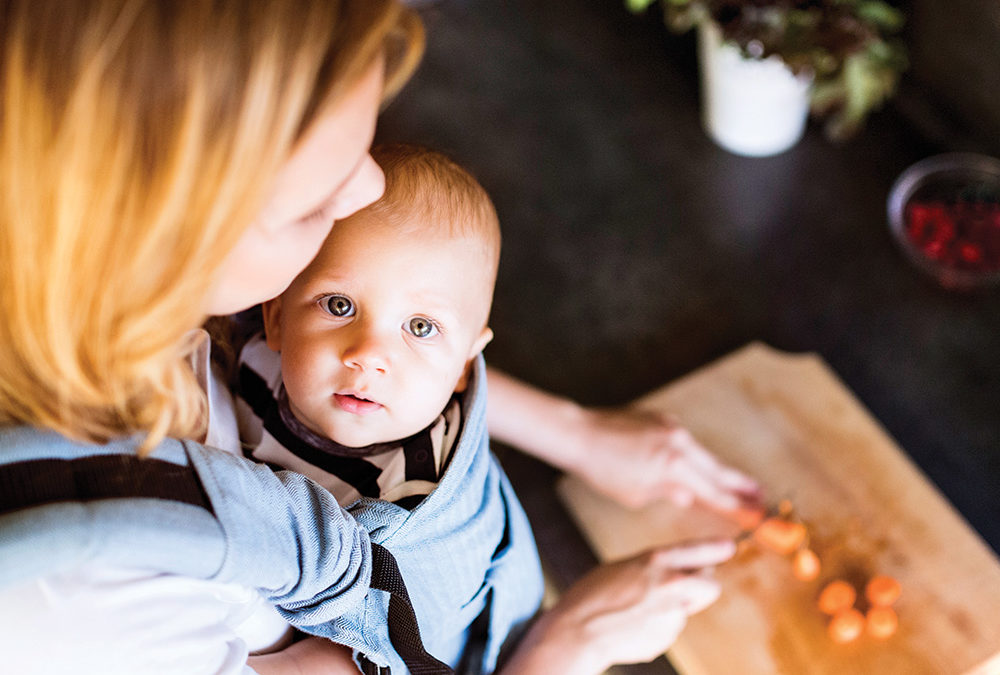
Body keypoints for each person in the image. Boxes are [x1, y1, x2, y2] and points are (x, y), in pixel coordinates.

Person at [0, 1, 758, 673]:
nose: (367, 190)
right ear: (170, 233)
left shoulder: (112, 297)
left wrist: (577, 431)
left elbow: (379, 356)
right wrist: (568, 644)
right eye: (309, 206)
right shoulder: (81, 607)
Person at [230, 143, 543, 673]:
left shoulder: (409, 502)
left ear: (465, 365)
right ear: (276, 317)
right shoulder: (245, 354)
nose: (369, 357)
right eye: (339, 305)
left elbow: (361, 653)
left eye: (420, 327)